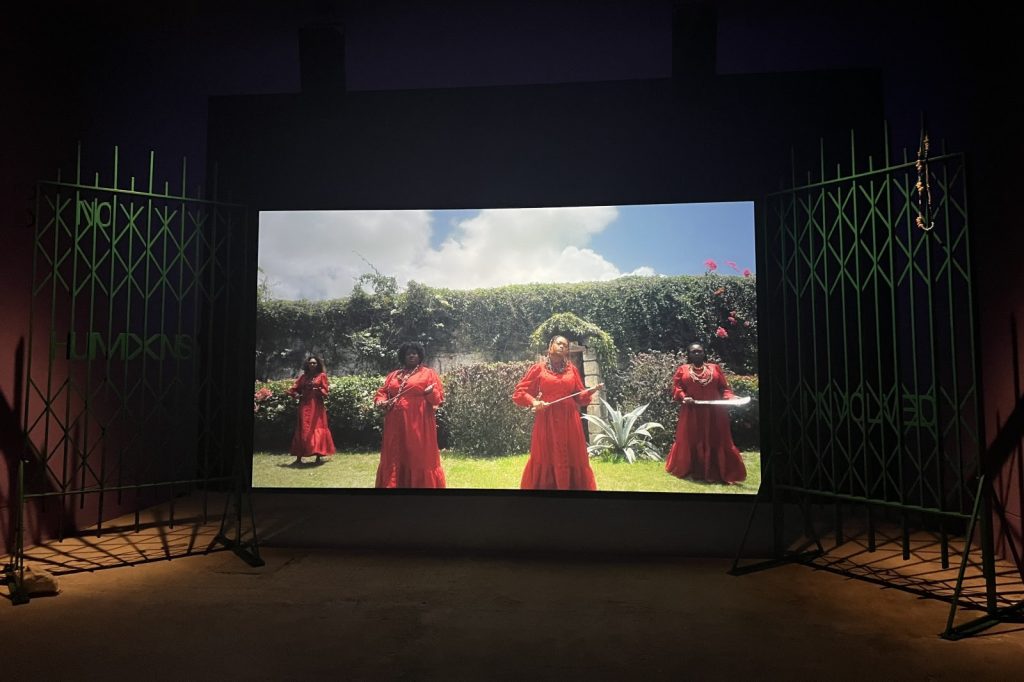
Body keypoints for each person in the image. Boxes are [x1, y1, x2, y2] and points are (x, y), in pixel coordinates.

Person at [512, 335, 603, 490]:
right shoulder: (538, 369)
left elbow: (580, 397)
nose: (562, 346)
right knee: (545, 455)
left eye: (566, 345)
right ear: (550, 346)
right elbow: (520, 392)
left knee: (572, 455)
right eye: (559, 343)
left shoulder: (572, 370)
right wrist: (534, 402)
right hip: (547, 421)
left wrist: (591, 391)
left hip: (570, 421)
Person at [664, 343, 747, 484]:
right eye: (693, 352)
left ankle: (717, 471)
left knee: (716, 438)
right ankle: (690, 469)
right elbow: (677, 389)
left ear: (704, 353)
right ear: (689, 354)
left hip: (715, 413)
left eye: (699, 351)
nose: (697, 354)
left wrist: (731, 397)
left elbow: (724, 389)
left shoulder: (715, 369)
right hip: (692, 413)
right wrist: (684, 397)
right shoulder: (682, 370)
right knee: (692, 439)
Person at [373, 342, 446, 488]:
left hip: (419, 423)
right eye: (408, 353)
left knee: (417, 455)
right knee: (395, 454)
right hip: (395, 424)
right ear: (403, 357)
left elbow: (438, 399)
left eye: (414, 353)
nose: (411, 355)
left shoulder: (428, 373)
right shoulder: (394, 375)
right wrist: (381, 401)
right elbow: (382, 393)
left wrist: (430, 392)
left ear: (419, 356)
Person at [287, 355, 336, 465]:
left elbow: (326, 392)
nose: (312, 365)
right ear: (307, 364)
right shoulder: (303, 377)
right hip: (304, 405)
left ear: (318, 364)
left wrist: (319, 389)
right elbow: (293, 389)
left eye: (314, 363)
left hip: (317, 406)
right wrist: (296, 395)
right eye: (310, 363)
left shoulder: (322, 376)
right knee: (303, 429)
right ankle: (299, 457)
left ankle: (318, 455)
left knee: (317, 427)